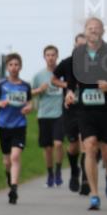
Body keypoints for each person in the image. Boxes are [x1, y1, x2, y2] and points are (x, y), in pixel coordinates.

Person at [60, 18, 107, 210]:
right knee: (90, 146)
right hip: (85, 109)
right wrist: (69, 91)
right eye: (89, 28)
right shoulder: (79, 53)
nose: (93, 31)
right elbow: (71, 78)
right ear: (85, 31)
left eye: (96, 28)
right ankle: (94, 194)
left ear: (103, 31)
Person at [0, 54, 33, 204]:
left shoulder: (25, 86)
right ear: (7, 67)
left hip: (19, 125)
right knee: (7, 161)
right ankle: (9, 177)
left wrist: (28, 108)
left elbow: (30, 103)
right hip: (4, 126)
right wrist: (0, 103)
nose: (14, 67)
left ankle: (14, 188)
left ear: (20, 67)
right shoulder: (1, 85)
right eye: (11, 65)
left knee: (15, 157)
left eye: (16, 64)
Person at [52, 34, 88, 195]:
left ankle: (86, 179)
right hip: (70, 109)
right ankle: (75, 171)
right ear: (75, 45)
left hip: (88, 109)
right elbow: (54, 79)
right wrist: (66, 85)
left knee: (87, 145)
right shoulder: (67, 63)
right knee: (73, 147)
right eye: (79, 45)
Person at [31, 45, 65, 187]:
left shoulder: (63, 73)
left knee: (58, 144)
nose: (50, 58)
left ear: (57, 56)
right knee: (48, 148)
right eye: (48, 55)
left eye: (53, 55)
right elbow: (30, 93)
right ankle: (50, 173)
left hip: (60, 114)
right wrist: (40, 89)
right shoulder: (38, 76)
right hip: (44, 114)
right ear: (44, 57)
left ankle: (58, 171)